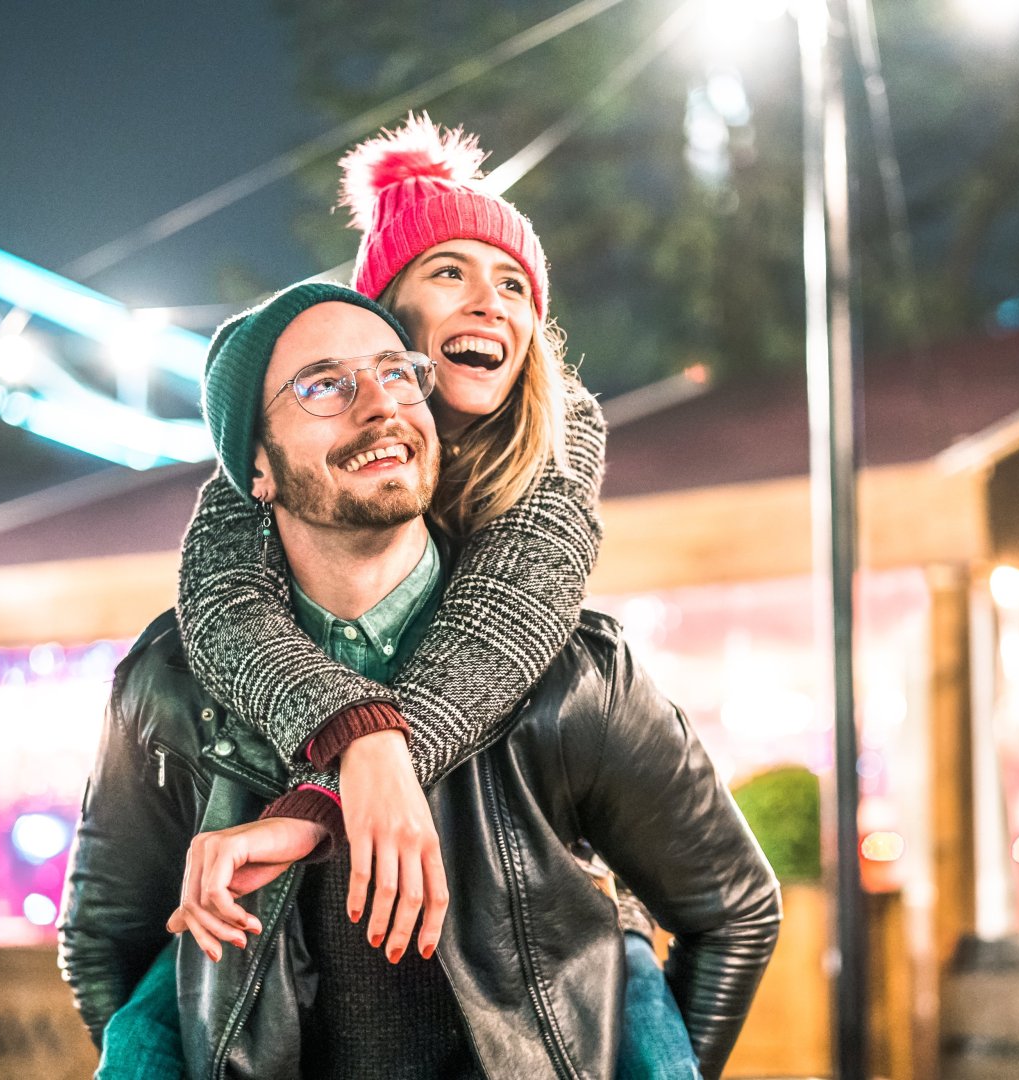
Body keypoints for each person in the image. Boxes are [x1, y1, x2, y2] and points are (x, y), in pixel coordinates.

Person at [58, 283, 781, 1080]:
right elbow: (105, 945)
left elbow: (735, 913)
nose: (380, 405)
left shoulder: (572, 679)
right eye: (324, 384)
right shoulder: (170, 683)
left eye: (398, 372)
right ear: (256, 466)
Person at [160, 115, 701, 1076]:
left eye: (516, 286)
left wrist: (348, 768)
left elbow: (511, 611)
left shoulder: (558, 431)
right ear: (381, 308)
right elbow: (220, 600)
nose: (490, 303)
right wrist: (350, 736)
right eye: (450, 272)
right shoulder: (285, 436)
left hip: (550, 935)